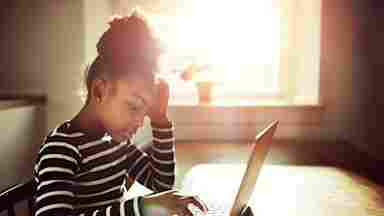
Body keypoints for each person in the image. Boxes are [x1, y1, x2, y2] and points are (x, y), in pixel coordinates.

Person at [32, 10, 208, 216]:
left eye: (145, 112)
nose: (140, 122)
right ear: (99, 90)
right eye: (134, 107)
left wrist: (160, 120)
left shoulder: (117, 143)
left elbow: (162, 184)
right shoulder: (61, 149)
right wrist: (143, 207)